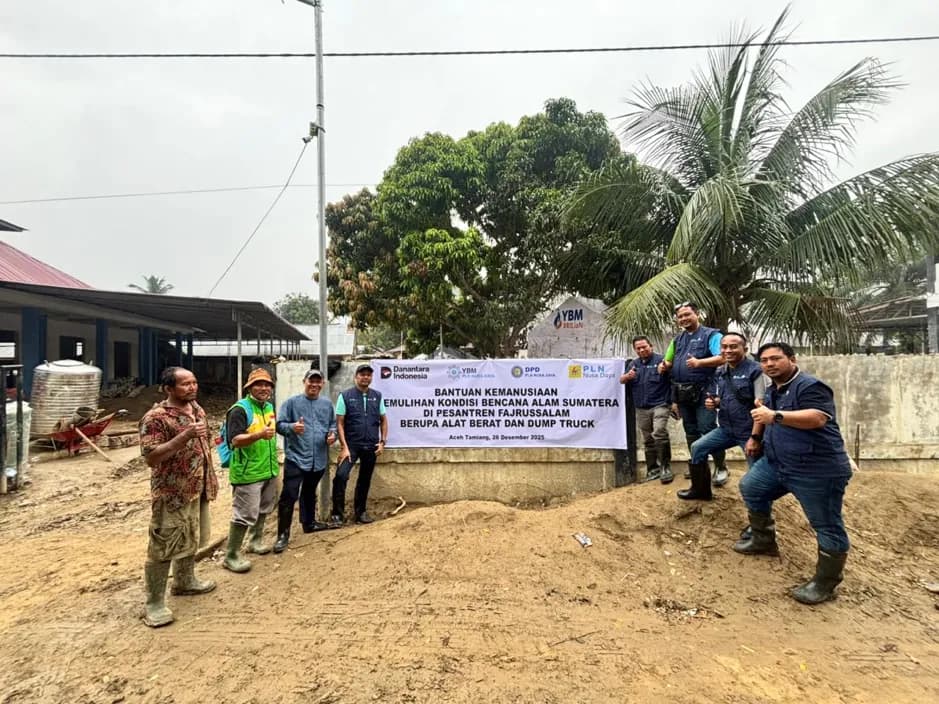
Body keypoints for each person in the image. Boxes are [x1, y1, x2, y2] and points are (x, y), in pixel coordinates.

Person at [734, 342, 853, 605]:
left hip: (816, 469)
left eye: (775, 359)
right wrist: (755, 437)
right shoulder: (772, 388)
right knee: (752, 487)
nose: (769, 364)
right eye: (764, 361)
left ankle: (825, 584)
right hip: (779, 464)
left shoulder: (810, 386)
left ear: (792, 359)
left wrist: (774, 416)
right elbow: (761, 413)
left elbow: (818, 418)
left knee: (826, 525)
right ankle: (763, 539)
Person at [139, 367, 217, 628]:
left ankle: (185, 581)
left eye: (194, 382)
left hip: (197, 486)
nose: (192, 387)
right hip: (171, 492)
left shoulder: (196, 408)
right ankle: (154, 603)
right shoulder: (156, 418)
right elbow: (151, 457)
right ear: (168, 388)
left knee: (192, 535)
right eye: (185, 384)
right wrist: (183, 437)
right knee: (164, 543)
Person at [680, 332, 765, 500]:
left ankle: (761, 522)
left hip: (749, 431)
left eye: (733, 346)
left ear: (745, 349)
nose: (728, 350)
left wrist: (755, 438)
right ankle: (700, 491)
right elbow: (729, 397)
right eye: (724, 347)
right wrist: (716, 403)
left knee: (756, 476)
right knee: (697, 448)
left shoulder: (756, 371)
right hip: (726, 429)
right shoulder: (721, 371)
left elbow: (761, 406)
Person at [657, 302, 727, 492]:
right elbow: (668, 361)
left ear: (697, 314)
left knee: (708, 429)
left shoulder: (711, 335)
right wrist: (662, 366)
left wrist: (699, 362)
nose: (684, 319)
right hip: (682, 393)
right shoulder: (676, 340)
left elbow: (723, 357)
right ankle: (699, 467)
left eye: (687, 314)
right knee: (691, 432)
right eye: (680, 317)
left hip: (705, 391)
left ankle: (721, 467)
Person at [273, 368, 337, 552]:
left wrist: (332, 436)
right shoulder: (291, 403)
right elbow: (279, 425)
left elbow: (332, 425)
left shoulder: (326, 404)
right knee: (289, 495)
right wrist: (293, 427)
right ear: (304, 381)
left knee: (309, 492)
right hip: (296, 457)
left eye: (318, 382)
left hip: (318, 459)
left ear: (322, 384)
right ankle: (282, 535)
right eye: (311, 381)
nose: (314, 385)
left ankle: (309, 524)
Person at [223, 367, 279, 573]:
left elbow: (272, 431)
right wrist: (258, 435)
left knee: (264, 508)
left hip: (268, 467)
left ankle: (255, 541)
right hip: (248, 472)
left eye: (267, 385)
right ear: (250, 387)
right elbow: (235, 440)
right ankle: (231, 555)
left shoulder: (268, 407)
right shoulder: (240, 409)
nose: (264, 388)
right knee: (243, 514)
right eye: (259, 384)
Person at [329, 363, 388, 527]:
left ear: (371, 378)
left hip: (371, 445)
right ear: (356, 377)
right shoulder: (345, 396)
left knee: (365, 479)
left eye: (368, 375)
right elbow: (339, 423)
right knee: (340, 477)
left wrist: (382, 442)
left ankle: (360, 512)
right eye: (362, 374)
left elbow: (383, 420)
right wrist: (344, 447)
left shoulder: (377, 396)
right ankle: (337, 515)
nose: (365, 377)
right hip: (351, 445)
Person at [620, 336, 673, 483]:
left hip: (660, 404)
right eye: (638, 348)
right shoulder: (633, 364)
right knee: (648, 439)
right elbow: (621, 380)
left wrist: (675, 403)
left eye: (644, 346)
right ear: (635, 350)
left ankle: (665, 467)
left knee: (659, 432)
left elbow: (673, 380)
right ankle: (652, 468)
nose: (642, 350)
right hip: (641, 407)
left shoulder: (662, 361)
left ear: (651, 346)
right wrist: (626, 376)